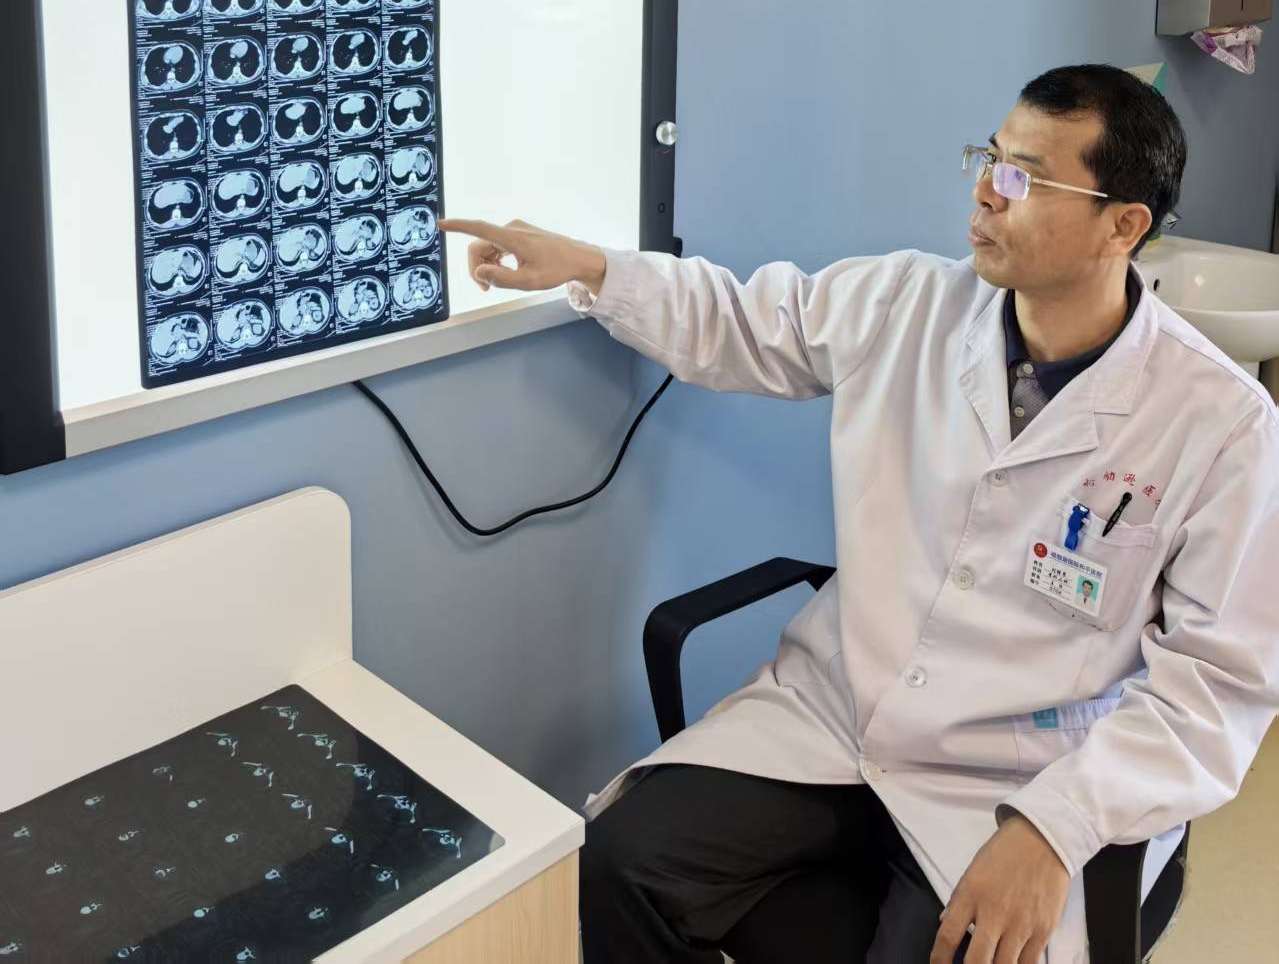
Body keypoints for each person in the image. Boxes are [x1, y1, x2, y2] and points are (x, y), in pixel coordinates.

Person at [441, 65, 1279, 964]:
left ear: (1123, 226)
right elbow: (741, 321)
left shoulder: (1220, 422)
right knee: (618, 862)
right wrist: (592, 269)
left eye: (1026, 178)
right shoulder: (909, 303)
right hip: (837, 717)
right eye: (989, 158)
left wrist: (1055, 826)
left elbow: (1218, 686)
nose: (985, 193)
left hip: (1017, 775)